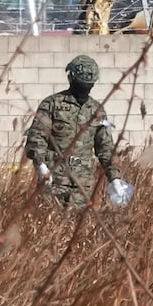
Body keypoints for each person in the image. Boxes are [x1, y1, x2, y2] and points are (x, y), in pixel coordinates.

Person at [24, 55, 130, 207]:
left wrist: (115, 178)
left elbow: (105, 147)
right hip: (54, 179)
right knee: (51, 224)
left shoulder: (96, 110)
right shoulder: (52, 104)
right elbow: (36, 138)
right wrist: (41, 165)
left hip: (83, 184)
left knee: (79, 226)